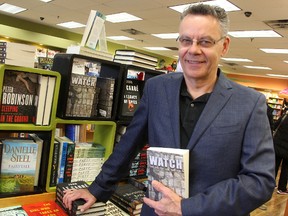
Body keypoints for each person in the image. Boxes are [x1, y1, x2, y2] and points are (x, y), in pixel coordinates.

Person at [63, 3, 275, 215]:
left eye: (205, 41)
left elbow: (259, 182)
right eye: (185, 40)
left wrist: (187, 208)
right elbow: (129, 144)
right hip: (156, 211)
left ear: (224, 45)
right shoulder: (157, 89)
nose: (193, 50)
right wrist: (97, 188)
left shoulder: (249, 103)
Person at [274, 99, 288, 194]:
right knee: (286, 169)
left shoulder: (285, 115)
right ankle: (281, 188)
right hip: (287, 148)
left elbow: (275, 125)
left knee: (274, 166)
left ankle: (270, 184)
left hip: (277, 144)